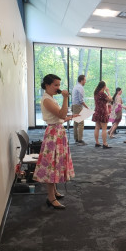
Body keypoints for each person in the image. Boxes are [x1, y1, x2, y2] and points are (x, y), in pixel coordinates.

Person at [33, 74, 75, 210]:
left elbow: (59, 117)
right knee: (51, 165)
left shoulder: (50, 98)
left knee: (56, 163)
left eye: (59, 85)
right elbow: (61, 114)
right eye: (55, 85)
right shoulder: (47, 100)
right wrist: (65, 98)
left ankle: (54, 191)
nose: (58, 88)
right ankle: (51, 198)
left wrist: (70, 117)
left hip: (57, 132)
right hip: (53, 135)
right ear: (47, 85)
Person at [92, 81, 112, 149]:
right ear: (104, 86)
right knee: (104, 128)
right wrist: (108, 91)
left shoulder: (96, 93)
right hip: (102, 111)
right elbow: (110, 99)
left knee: (97, 127)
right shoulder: (102, 94)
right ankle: (105, 143)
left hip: (97, 110)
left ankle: (97, 142)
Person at [71, 75, 89, 145]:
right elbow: (81, 101)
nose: (85, 81)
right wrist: (87, 107)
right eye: (85, 80)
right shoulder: (80, 88)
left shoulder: (75, 86)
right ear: (81, 80)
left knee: (76, 123)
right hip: (78, 106)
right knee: (81, 123)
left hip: (74, 105)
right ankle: (80, 140)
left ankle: (76, 139)